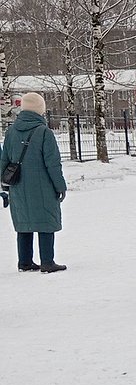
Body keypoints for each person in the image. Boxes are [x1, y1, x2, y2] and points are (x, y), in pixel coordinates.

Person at [1, 92, 67, 273]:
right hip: (42, 186)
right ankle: (47, 261)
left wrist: (4, 183)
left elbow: (4, 160)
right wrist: (60, 186)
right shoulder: (43, 132)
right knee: (45, 221)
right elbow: (52, 163)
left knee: (24, 222)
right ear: (40, 109)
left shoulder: (11, 131)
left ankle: (25, 262)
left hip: (18, 186)